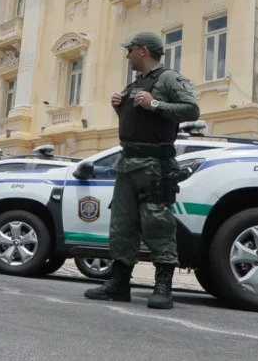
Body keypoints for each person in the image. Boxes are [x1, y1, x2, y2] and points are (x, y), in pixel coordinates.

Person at [83, 32, 200, 310]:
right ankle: (120, 283)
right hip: (127, 163)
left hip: (154, 164)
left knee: (157, 223)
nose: (127, 55)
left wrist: (154, 103)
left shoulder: (168, 78)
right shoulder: (134, 85)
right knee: (122, 226)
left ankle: (163, 287)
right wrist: (118, 108)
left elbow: (192, 110)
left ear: (143, 51)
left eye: (131, 50)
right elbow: (136, 123)